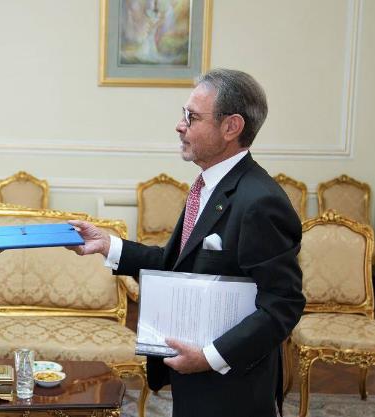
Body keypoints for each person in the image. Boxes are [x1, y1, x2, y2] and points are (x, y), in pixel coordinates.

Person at [69, 69, 305, 417]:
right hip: (194, 376)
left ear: (231, 127)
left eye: (192, 117)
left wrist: (209, 357)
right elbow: (176, 264)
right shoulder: (208, 187)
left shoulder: (259, 200)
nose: (180, 126)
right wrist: (108, 245)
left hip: (232, 389)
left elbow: (283, 304)